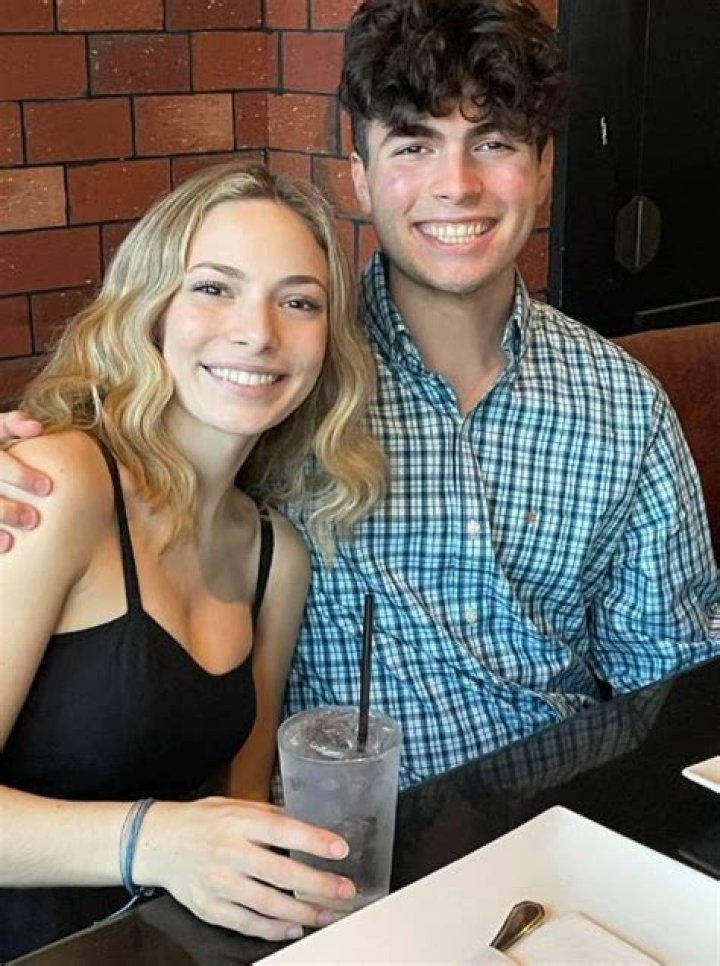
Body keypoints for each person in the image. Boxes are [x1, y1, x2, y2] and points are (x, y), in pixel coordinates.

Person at [1, 0, 718, 793]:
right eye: (414, 144)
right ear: (360, 175)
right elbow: (116, 440)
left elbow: (672, 675)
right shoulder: (284, 374)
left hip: (559, 816)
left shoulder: (623, 405)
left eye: (495, 143)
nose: (457, 185)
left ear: (545, 170)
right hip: (347, 834)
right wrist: (24, 460)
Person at [0, 163, 384, 959]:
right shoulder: (59, 485)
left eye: (299, 302)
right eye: (214, 288)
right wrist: (154, 842)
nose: (258, 333)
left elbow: (237, 808)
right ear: (151, 309)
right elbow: (185, 839)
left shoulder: (277, 559)